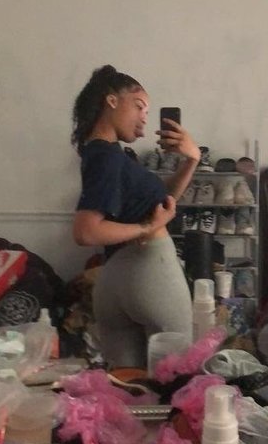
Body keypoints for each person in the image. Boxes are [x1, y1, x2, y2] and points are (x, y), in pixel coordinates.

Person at [71, 64, 200, 368]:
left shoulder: (101, 154)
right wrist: (148, 226)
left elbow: (164, 202)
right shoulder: (107, 157)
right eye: (139, 106)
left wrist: (192, 159)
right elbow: (86, 231)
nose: (144, 117)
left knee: (127, 385)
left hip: (114, 281)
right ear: (112, 101)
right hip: (150, 272)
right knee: (175, 381)